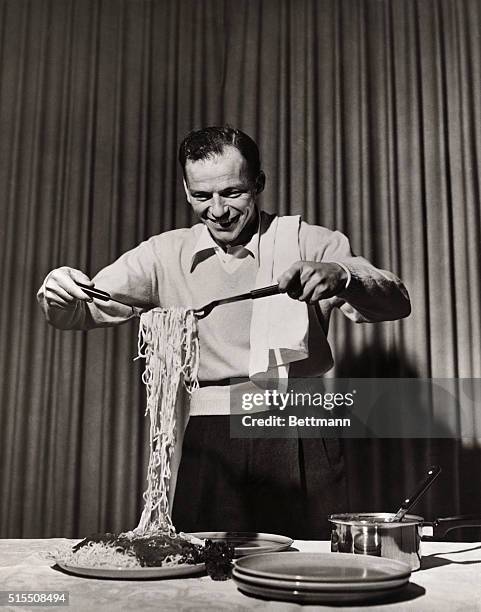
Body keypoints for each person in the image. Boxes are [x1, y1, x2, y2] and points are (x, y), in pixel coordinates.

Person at [37, 126, 410, 539]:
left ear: (259, 184)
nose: (218, 210)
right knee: (204, 568)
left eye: (233, 192)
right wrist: (60, 289)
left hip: (300, 426)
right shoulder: (163, 254)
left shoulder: (310, 242)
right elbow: (79, 309)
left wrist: (342, 276)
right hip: (211, 433)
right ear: (185, 189)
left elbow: (395, 300)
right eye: (201, 196)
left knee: (312, 565)